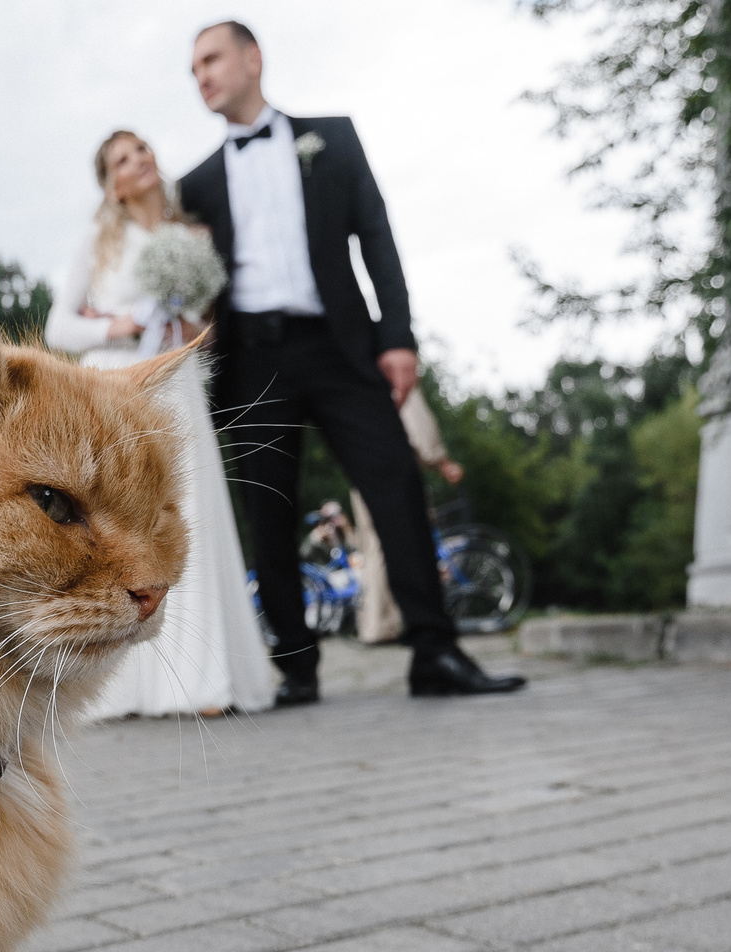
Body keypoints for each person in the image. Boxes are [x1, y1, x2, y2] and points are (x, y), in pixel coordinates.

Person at [177, 20, 524, 703]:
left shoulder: (331, 138)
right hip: (253, 360)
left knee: (395, 484)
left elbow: (377, 237)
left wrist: (397, 336)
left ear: (253, 58)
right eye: (193, 69)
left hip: (341, 347)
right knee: (269, 512)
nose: (202, 76)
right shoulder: (196, 185)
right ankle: (297, 670)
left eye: (212, 59)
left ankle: (435, 651)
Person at [46, 130, 277, 718]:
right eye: (121, 159)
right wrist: (118, 325)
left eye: (142, 149)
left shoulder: (192, 237)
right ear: (111, 185)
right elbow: (57, 328)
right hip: (115, 385)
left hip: (175, 384)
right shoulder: (99, 242)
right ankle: (120, 684)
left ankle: (202, 678)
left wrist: (183, 321)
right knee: (123, 519)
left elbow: (209, 329)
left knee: (184, 512)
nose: (138, 161)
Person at [351, 388, 464, 644]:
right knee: (397, 543)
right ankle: (395, 626)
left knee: (374, 548)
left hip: (363, 469)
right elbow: (416, 420)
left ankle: (377, 625)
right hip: (392, 468)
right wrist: (441, 460)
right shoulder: (393, 368)